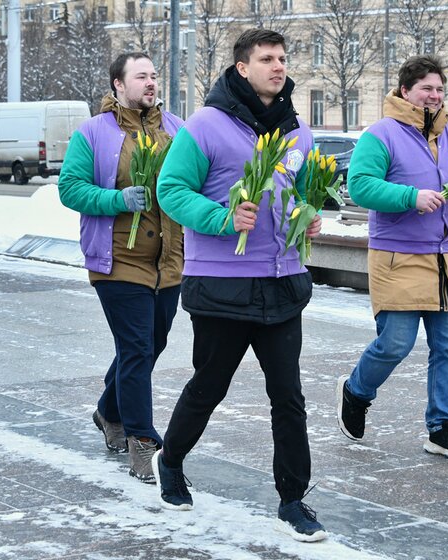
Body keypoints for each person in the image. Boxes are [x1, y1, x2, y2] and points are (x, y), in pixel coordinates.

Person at [151, 29, 327, 542]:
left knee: (288, 396)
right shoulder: (206, 125)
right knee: (209, 386)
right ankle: (172, 459)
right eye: (266, 59)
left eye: (282, 58)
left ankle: (293, 499)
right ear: (242, 68)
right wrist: (223, 217)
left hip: (282, 282)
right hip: (222, 286)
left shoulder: (298, 133)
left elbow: (297, 196)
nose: (278, 66)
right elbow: (171, 190)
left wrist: (306, 218)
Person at [336, 55, 448, 461]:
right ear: (406, 91)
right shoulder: (381, 135)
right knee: (395, 344)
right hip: (398, 257)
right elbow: (361, 187)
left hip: (447, 258)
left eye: (439, 89)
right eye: (426, 89)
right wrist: (409, 197)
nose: (434, 96)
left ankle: (443, 428)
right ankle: (356, 390)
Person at [57, 52, 185, 482]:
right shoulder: (93, 132)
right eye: (141, 76)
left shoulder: (175, 129)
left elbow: (193, 181)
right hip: (117, 259)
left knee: (152, 343)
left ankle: (108, 410)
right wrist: (118, 199)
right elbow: (70, 188)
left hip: (169, 260)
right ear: (117, 84)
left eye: (153, 75)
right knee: (137, 348)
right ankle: (143, 443)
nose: (151, 82)